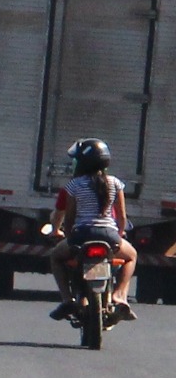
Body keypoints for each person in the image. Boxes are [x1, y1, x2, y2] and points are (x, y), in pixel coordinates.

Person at [51, 137, 136, 323]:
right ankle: (120, 296)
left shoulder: (74, 185)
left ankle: (68, 300)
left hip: (81, 236)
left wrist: (67, 235)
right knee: (132, 256)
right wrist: (119, 236)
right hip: (109, 236)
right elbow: (121, 217)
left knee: (56, 257)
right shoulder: (115, 183)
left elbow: (71, 217)